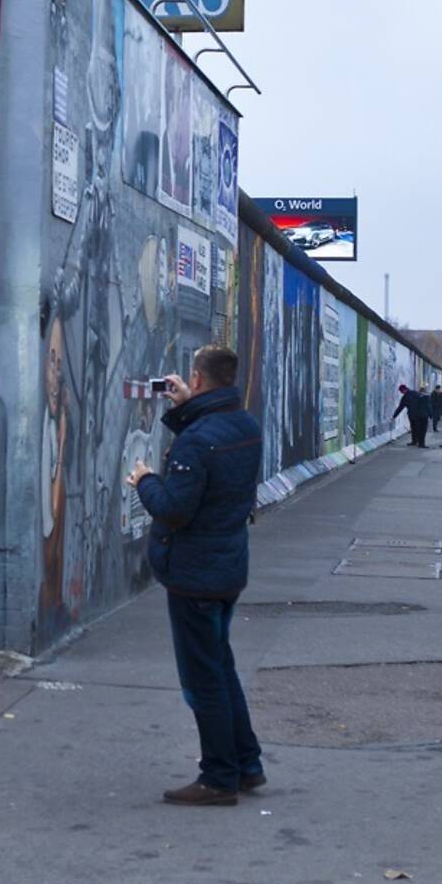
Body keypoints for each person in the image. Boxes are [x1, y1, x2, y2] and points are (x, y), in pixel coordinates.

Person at [126, 345, 264, 806]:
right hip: (226, 567)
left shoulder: (197, 441)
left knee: (202, 680)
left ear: (200, 380)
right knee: (221, 668)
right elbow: (211, 450)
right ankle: (246, 765)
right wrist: (188, 408)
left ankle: (218, 777)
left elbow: (175, 509)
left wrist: (145, 480)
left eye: (190, 377)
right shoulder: (244, 425)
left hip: (195, 574)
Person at [392, 383, 429, 448]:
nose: (402, 393)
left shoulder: (405, 397)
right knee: (419, 429)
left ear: (403, 390)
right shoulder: (415, 393)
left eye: (401, 392)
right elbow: (422, 402)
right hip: (419, 414)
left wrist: (394, 416)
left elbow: (400, 407)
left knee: (414, 428)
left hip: (412, 415)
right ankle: (419, 442)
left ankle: (414, 441)